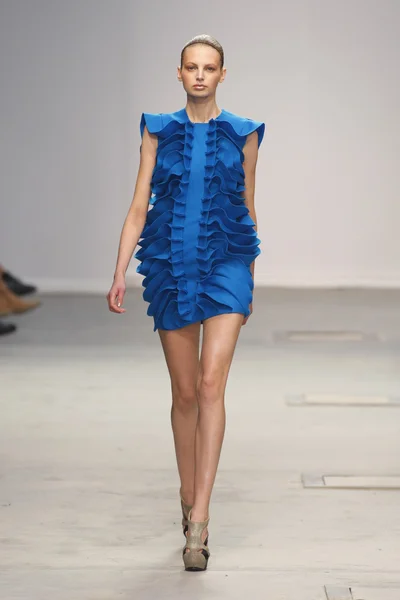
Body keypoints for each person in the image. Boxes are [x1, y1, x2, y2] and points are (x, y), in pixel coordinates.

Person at [107, 33, 265, 571]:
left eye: (210, 67)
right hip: (171, 264)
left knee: (210, 383)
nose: (200, 75)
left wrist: (249, 275)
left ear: (224, 74)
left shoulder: (245, 134)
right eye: (191, 67)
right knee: (183, 394)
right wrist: (119, 270)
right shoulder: (158, 129)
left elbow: (247, 207)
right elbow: (137, 206)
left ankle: (199, 521)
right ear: (179, 74)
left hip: (226, 264)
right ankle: (186, 492)